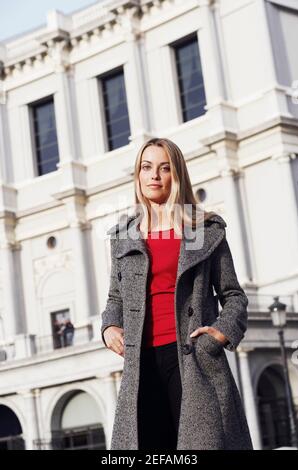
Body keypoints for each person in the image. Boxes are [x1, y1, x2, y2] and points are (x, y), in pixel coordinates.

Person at [101, 137, 253, 450]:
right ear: (138, 175)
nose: (154, 175)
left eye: (164, 168)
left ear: (176, 175)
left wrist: (219, 335)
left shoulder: (201, 231)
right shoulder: (124, 236)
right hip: (141, 365)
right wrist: (109, 327)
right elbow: (115, 298)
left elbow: (233, 295)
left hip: (195, 358)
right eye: (146, 167)